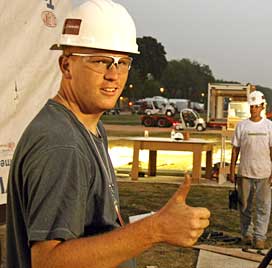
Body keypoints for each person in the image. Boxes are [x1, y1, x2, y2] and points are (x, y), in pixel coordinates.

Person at [6, 1, 210, 267]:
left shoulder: (89, 127)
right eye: (101, 62)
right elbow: (48, 261)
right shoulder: (62, 145)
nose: (114, 75)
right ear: (66, 66)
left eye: (123, 63)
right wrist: (155, 229)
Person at [229, 90, 272, 249]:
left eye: (256, 106)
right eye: (251, 107)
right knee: (245, 206)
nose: (253, 109)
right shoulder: (242, 126)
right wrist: (232, 169)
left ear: (262, 107)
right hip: (245, 173)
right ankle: (247, 234)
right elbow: (235, 149)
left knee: (263, 207)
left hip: (263, 174)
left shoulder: (269, 126)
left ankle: (260, 237)